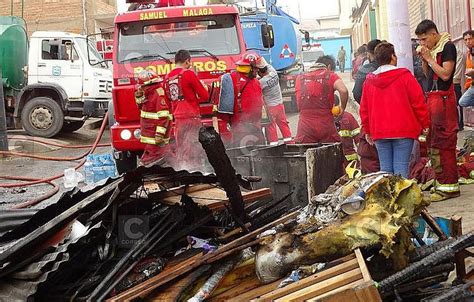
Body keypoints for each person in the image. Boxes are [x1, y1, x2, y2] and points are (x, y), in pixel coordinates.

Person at [360, 42, 430, 178]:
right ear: (393, 57)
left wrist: (368, 130)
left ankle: (387, 198)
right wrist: (425, 123)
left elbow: (364, 109)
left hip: (379, 131)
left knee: (385, 169)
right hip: (404, 129)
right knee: (401, 168)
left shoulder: (369, 81)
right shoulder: (405, 76)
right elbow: (418, 102)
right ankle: (400, 197)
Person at [416, 19, 460, 201]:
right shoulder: (432, 51)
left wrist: (429, 58)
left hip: (444, 100)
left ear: (434, 34)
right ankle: (440, 182)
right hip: (433, 99)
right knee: (433, 142)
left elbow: (445, 74)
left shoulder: (448, 47)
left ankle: (449, 187)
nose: (422, 43)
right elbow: (429, 76)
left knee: (444, 144)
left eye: (425, 39)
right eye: (420, 41)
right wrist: (425, 61)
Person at [164, 50, 209, 171]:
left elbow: (168, 100)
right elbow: (204, 95)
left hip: (178, 119)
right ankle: (195, 174)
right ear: (187, 61)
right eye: (190, 62)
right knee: (193, 149)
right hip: (192, 117)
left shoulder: (167, 78)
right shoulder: (188, 74)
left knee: (181, 149)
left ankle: (182, 172)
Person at [294, 55, 348, 143]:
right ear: (329, 67)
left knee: (306, 154)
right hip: (326, 124)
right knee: (332, 154)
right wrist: (342, 108)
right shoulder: (331, 76)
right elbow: (344, 91)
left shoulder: (300, 78)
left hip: (305, 126)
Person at [219, 51, 264, 147]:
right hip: (242, 127)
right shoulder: (233, 79)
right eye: (256, 68)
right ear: (250, 68)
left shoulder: (253, 81)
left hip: (251, 126)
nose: (257, 70)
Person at [134, 70, 173, 166]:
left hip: (155, 137)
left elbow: (164, 116)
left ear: (148, 85)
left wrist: (159, 134)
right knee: (158, 158)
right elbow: (142, 107)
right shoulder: (149, 94)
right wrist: (139, 97)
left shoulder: (158, 94)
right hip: (150, 135)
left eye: (142, 86)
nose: (140, 88)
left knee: (150, 161)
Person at [257, 57, 292, 145]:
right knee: (283, 124)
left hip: (270, 107)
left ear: (260, 72)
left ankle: (273, 145)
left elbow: (255, 86)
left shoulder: (262, 82)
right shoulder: (273, 72)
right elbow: (267, 65)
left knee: (270, 126)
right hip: (280, 104)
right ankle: (290, 142)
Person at [353, 39, 382, 103]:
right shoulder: (391, 67)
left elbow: (357, 93)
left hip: (373, 109)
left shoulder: (364, 69)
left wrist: (368, 106)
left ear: (368, 53)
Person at [459, 30, 474, 108]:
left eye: (470, 38)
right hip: (471, 84)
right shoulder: (468, 53)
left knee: (463, 101)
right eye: (466, 40)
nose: (468, 41)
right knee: (463, 102)